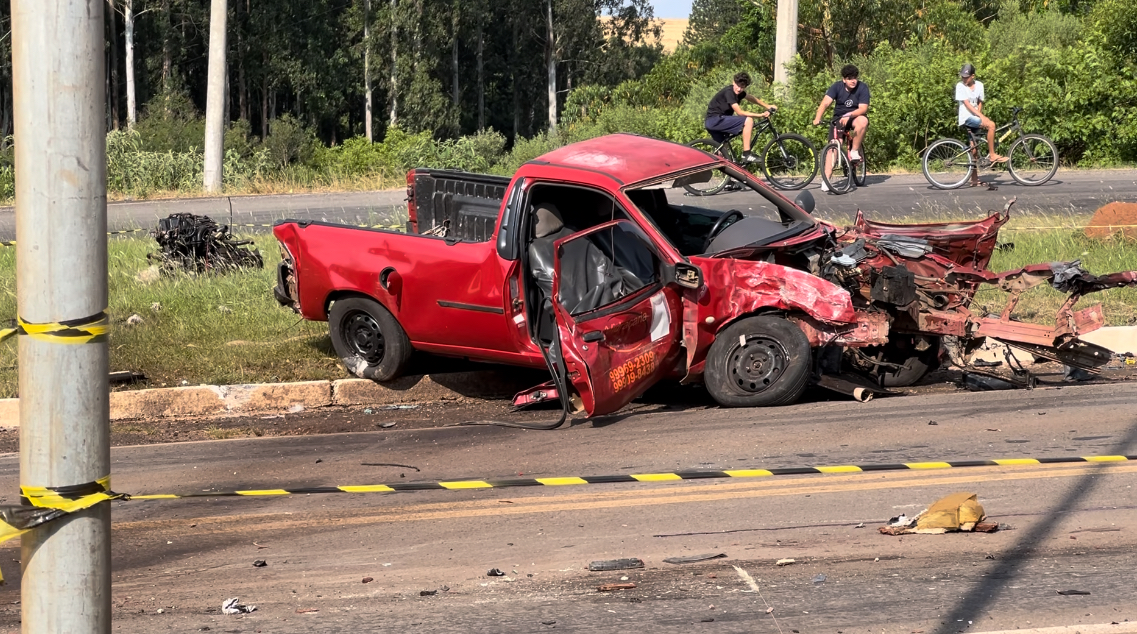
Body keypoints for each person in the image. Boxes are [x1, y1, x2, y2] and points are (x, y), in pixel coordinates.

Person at [812, 64, 869, 191]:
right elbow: (825, 103)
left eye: (855, 77)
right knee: (834, 146)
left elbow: (863, 108)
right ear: (844, 79)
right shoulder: (836, 87)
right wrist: (818, 118)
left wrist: (849, 115)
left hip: (855, 117)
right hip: (839, 119)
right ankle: (827, 179)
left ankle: (854, 151)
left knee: (863, 121)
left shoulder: (862, 87)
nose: (853, 81)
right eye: (849, 78)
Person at [704, 72, 778, 164]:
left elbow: (751, 98)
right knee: (748, 120)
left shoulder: (739, 93)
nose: (739, 89)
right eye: (737, 86)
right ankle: (746, 154)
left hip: (716, 121)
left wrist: (767, 106)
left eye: (742, 87)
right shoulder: (729, 92)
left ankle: (724, 176)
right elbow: (740, 112)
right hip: (715, 120)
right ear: (733, 82)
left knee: (722, 150)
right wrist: (761, 115)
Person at [956, 63, 1007, 173]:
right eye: (962, 77)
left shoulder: (979, 85)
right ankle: (992, 155)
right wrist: (982, 117)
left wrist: (979, 114)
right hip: (966, 118)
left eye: (966, 77)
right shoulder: (960, 86)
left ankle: (974, 180)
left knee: (974, 149)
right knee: (991, 125)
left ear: (972, 76)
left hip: (975, 116)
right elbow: (967, 104)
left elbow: (980, 102)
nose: (964, 79)